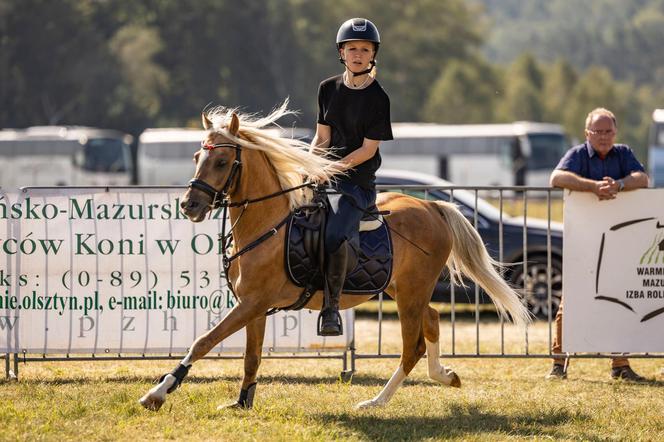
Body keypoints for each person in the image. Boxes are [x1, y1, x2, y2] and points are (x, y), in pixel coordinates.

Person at [547, 107, 649, 381]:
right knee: (570, 303)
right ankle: (559, 363)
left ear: (615, 132)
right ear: (587, 133)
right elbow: (556, 178)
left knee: (618, 299)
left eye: (608, 131)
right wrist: (593, 186)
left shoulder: (624, 153)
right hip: (583, 240)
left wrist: (620, 185)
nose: (603, 137)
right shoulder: (578, 154)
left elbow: (643, 179)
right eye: (598, 131)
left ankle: (620, 365)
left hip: (618, 242)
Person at [310, 17, 393, 336]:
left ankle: (330, 310)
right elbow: (322, 138)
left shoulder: (378, 98)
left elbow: (367, 151)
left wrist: (333, 168)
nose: (358, 54)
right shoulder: (327, 89)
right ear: (341, 53)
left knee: (333, 235)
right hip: (325, 176)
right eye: (351, 48)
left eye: (364, 49)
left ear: (373, 55)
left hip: (356, 184)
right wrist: (309, 164)